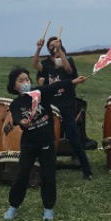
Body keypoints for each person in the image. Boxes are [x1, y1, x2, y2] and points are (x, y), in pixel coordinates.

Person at [2, 67, 87, 221]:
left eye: (27, 79)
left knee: (48, 175)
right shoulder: (16, 103)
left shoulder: (40, 93)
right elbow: (16, 116)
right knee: (22, 175)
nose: (25, 82)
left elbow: (55, 86)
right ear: (14, 86)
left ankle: (48, 209)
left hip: (46, 141)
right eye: (21, 80)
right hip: (28, 144)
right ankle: (13, 206)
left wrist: (73, 81)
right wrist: (23, 122)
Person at [32, 35, 92, 180]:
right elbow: (35, 65)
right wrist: (38, 48)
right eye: (51, 45)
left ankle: (87, 170)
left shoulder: (67, 60)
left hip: (65, 106)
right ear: (48, 48)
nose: (54, 47)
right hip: (50, 106)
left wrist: (61, 53)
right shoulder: (46, 64)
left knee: (74, 138)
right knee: (46, 137)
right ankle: (42, 166)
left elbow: (69, 71)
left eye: (57, 44)